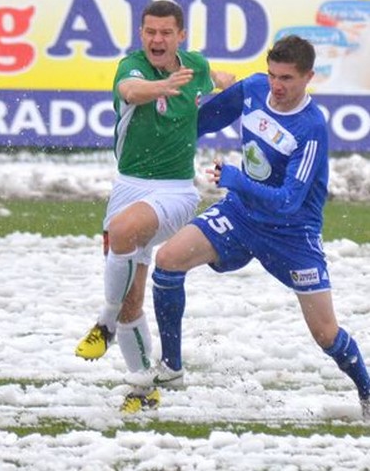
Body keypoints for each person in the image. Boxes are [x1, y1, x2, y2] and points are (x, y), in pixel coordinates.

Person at [144, 34, 370, 419]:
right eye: (272, 75)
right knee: (167, 260)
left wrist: (237, 179)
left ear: (309, 77)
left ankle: (367, 392)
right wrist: (157, 135)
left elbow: (288, 200)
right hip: (240, 215)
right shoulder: (252, 90)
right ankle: (172, 369)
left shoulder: (310, 127)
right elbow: (201, 122)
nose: (277, 86)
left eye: (287, 79)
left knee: (325, 333)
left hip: (291, 234)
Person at [74, 0, 234, 413]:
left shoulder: (194, 65)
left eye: (166, 32)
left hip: (176, 191)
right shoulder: (131, 68)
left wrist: (226, 81)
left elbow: (217, 77)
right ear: (141, 33)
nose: (157, 39)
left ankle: (104, 324)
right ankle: (143, 387)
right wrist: (163, 86)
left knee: (124, 232)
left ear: (181, 35)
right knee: (133, 298)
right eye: (150, 32)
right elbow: (131, 91)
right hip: (127, 188)